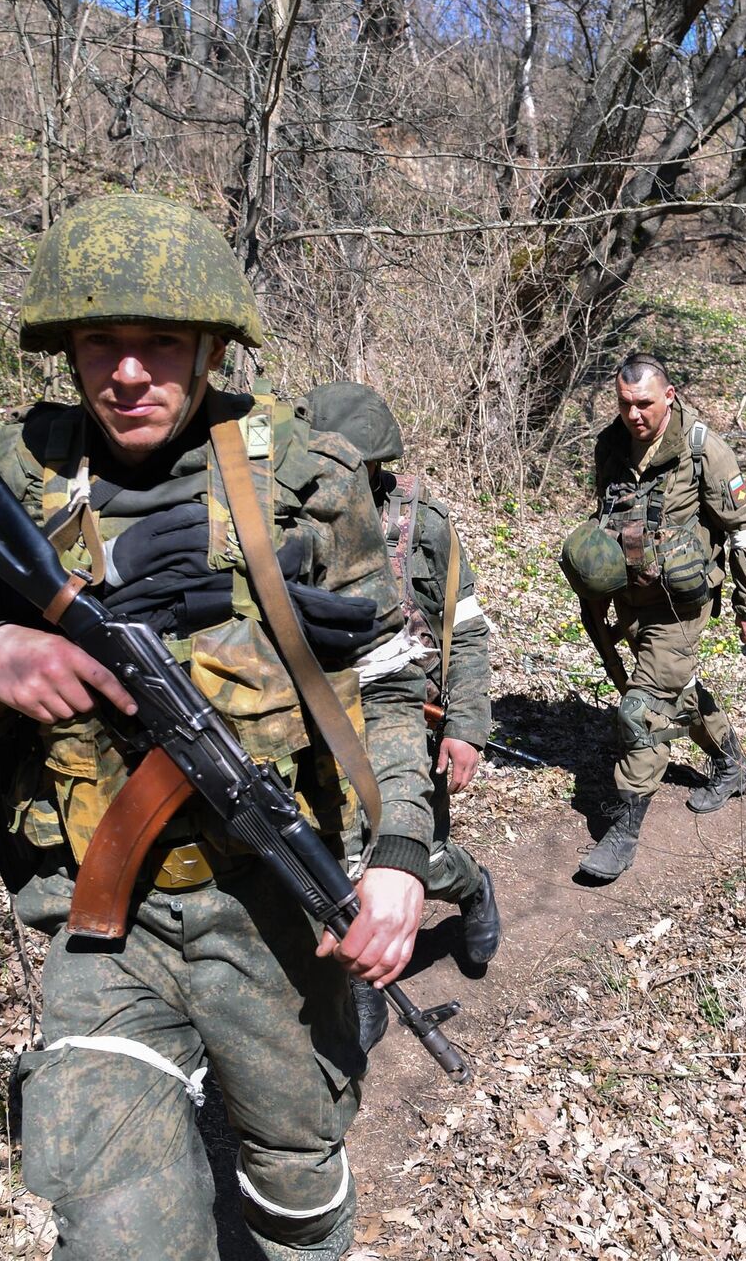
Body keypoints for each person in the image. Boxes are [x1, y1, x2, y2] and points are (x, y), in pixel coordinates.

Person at [0, 194, 432, 1259]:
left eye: (162, 343)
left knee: (296, 1171)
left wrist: (399, 855)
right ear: (68, 350)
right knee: (118, 1228)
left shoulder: (307, 480)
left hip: (270, 904)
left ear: (210, 348)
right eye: (103, 341)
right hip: (104, 920)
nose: (130, 372)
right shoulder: (26, 480)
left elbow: (384, 684)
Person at [304, 381, 502, 1045]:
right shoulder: (292, 525)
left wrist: (467, 726)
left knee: (409, 853)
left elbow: (467, 630)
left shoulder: (426, 528)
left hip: (407, 724)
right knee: (335, 861)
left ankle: (471, 882)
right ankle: (360, 989)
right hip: (320, 725)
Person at [559, 353, 746, 882]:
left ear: (669, 396)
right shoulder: (611, 444)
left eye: (644, 404)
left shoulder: (704, 451)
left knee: (642, 709)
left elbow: (744, 529)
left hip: (681, 606)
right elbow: (606, 514)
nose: (633, 415)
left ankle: (624, 830)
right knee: (677, 689)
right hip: (631, 599)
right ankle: (732, 764)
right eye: (625, 403)